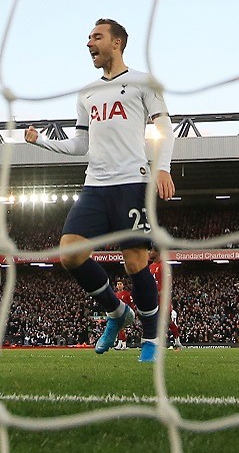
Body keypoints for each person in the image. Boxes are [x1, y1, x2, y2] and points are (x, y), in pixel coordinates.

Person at [25, 18, 175, 363]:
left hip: (132, 182)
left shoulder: (143, 82)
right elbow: (81, 144)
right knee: (70, 254)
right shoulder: (87, 93)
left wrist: (162, 167)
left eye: (96, 37)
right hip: (95, 183)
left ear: (117, 43)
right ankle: (117, 311)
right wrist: (42, 142)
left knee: (135, 261)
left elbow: (164, 126)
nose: (89, 43)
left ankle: (151, 340)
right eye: (89, 37)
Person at [148, 247, 183, 351]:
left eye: (151, 251)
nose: (149, 253)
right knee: (153, 320)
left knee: (167, 321)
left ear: (158, 252)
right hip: (153, 298)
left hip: (163, 299)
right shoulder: (151, 266)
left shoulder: (164, 266)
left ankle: (177, 340)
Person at [114, 279, 133, 350]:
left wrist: (131, 312)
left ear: (123, 285)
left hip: (125, 312)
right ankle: (123, 344)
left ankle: (120, 344)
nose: (119, 286)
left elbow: (131, 303)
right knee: (120, 329)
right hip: (117, 312)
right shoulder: (115, 294)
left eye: (120, 284)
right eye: (118, 284)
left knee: (121, 328)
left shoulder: (126, 294)